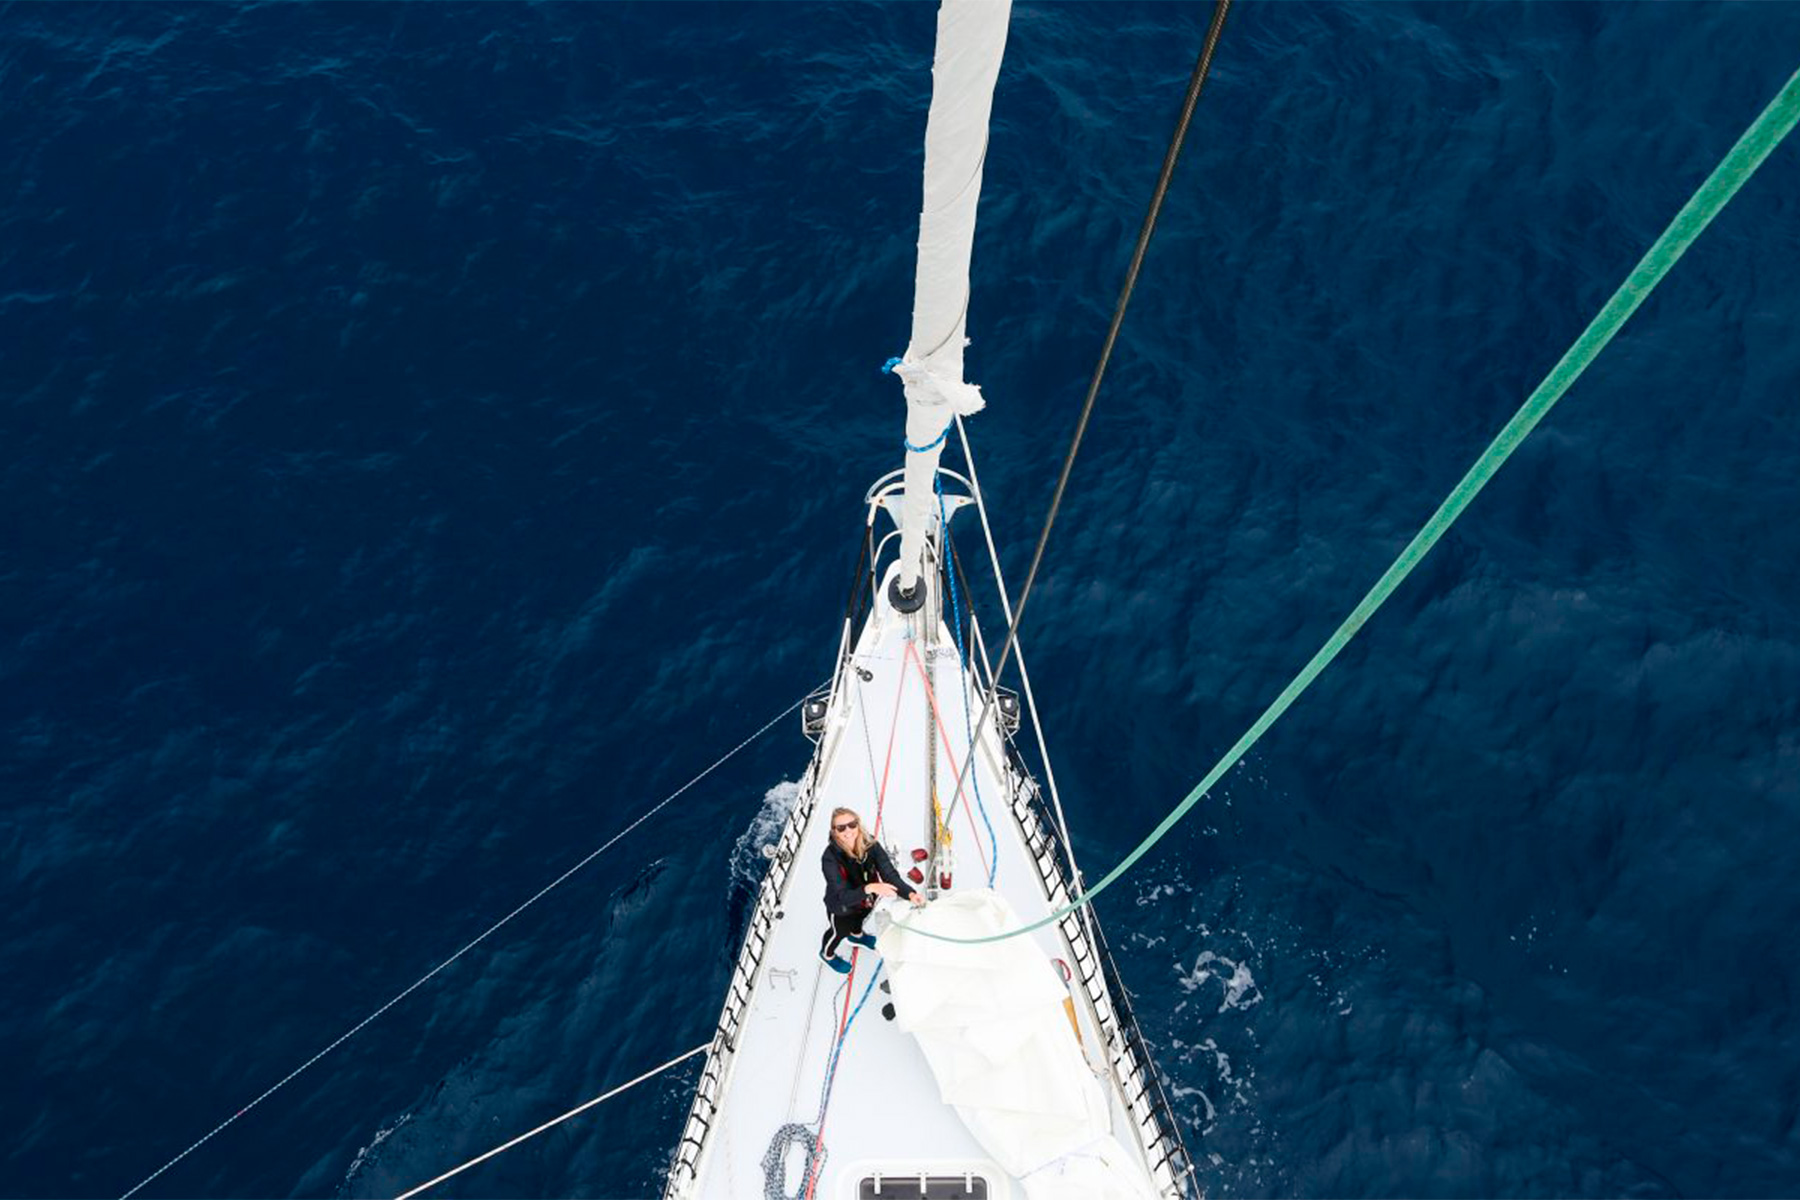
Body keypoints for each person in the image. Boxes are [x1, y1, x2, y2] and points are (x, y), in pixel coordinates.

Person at [818, 806, 924, 974]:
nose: (848, 830)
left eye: (852, 824)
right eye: (841, 827)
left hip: (866, 899)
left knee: (860, 917)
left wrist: (910, 893)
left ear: (858, 824)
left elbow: (889, 873)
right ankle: (827, 954)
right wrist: (872, 887)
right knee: (838, 933)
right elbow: (842, 896)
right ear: (834, 831)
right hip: (841, 907)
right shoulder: (830, 858)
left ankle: (857, 936)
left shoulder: (871, 844)